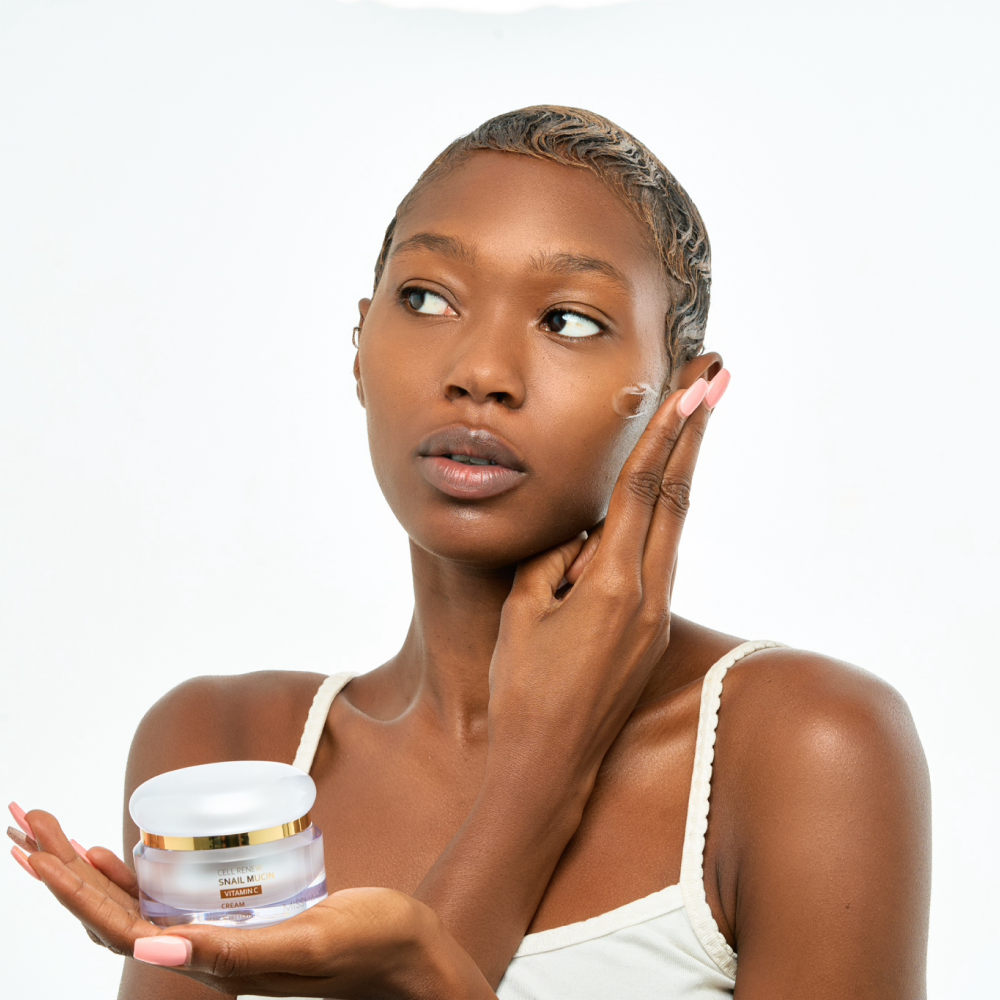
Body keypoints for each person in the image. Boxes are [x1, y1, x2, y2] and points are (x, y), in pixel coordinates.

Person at [8, 106, 931, 999]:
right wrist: (534, 782)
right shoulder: (229, 754)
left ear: (679, 397)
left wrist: (430, 961)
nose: (480, 373)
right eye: (426, 298)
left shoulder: (805, 748)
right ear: (360, 346)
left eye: (568, 320)